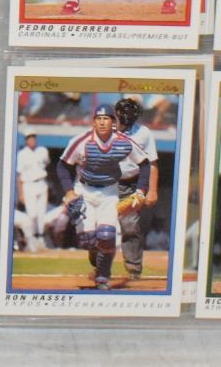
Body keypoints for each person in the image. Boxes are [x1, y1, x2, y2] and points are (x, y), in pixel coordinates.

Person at [58, 104, 153, 290]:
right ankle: (96, 254)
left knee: (107, 235)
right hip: (84, 191)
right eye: (99, 119)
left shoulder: (123, 142)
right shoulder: (81, 141)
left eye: (106, 118)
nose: (102, 122)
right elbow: (62, 166)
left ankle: (102, 276)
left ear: (113, 122)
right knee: (87, 240)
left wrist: (141, 190)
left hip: (109, 192)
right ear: (93, 122)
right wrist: (69, 191)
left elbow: (145, 164)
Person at [113, 98, 162, 281]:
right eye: (122, 116)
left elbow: (153, 163)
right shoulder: (106, 129)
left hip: (132, 184)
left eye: (129, 117)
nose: (125, 121)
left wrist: (153, 190)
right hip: (107, 183)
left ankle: (133, 269)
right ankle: (99, 266)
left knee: (130, 226)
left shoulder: (144, 132)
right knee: (101, 226)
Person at [16, 134, 52, 251]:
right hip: (28, 184)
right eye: (29, 138)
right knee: (32, 214)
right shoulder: (22, 154)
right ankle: (31, 239)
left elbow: (47, 164)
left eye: (33, 138)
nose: (32, 140)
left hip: (41, 182)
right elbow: (19, 175)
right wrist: (20, 193)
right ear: (26, 140)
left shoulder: (43, 150)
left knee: (42, 213)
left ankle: (40, 238)